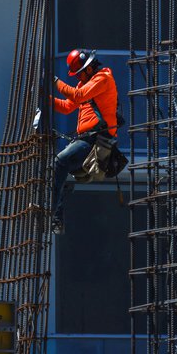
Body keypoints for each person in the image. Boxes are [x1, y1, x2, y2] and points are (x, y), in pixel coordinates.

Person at [51, 49, 118, 234]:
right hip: (87, 140)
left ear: (89, 68)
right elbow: (66, 107)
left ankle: (48, 212)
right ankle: (56, 218)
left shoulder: (102, 79)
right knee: (57, 172)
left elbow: (78, 96)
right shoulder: (85, 84)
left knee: (60, 162)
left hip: (97, 141)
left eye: (79, 72)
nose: (78, 77)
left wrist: (55, 82)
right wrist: (44, 98)